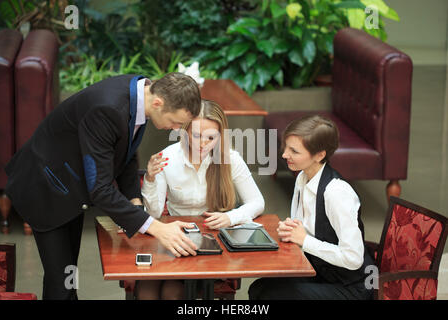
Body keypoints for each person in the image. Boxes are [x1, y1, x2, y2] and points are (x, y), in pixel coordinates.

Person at [4, 72, 202, 300]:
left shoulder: (143, 92)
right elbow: (100, 189)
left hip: (71, 188)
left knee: (70, 274)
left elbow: (125, 151)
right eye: (176, 122)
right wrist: (156, 227)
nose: (176, 129)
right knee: (60, 281)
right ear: (158, 103)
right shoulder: (107, 109)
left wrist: (134, 201)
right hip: (46, 188)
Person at [136, 99, 265, 299]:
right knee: (147, 291)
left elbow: (257, 202)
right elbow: (153, 214)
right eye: (196, 136)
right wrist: (150, 179)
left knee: (172, 292)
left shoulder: (230, 158)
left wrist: (231, 217)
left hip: (211, 242)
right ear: (184, 131)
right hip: (174, 237)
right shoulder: (167, 158)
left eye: (211, 137)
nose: (203, 144)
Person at [248, 115, 375, 300]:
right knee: (259, 289)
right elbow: (303, 227)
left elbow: (353, 258)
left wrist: (304, 239)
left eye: (294, 151)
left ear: (320, 155)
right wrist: (291, 228)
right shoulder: (302, 177)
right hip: (322, 271)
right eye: (286, 147)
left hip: (351, 287)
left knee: (274, 296)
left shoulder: (337, 193)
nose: (284, 155)